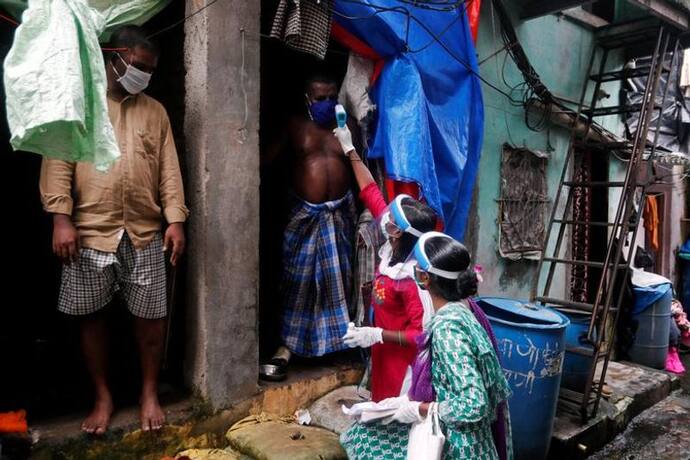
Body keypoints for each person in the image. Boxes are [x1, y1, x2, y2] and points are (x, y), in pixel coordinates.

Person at [39, 26, 188, 434]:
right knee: (91, 316)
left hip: (144, 231)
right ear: (115, 56)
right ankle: (103, 397)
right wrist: (60, 217)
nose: (144, 76)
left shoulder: (155, 111)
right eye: (139, 66)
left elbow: (169, 171)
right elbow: (58, 161)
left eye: (151, 70)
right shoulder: (80, 106)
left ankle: (149, 393)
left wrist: (175, 220)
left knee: (151, 316)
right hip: (89, 229)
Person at [340, 232, 513, 460]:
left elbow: (473, 404)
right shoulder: (465, 312)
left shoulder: (447, 329)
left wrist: (420, 409)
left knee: (363, 439)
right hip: (468, 443)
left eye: (418, 267)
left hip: (460, 449)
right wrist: (391, 408)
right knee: (366, 430)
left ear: (424, 278)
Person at [261, 75, 360, 376]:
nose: (326, 103)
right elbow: (267, 163)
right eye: (319, 98)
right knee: (298, 284)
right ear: (306, 99)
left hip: (340, 216)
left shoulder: (347, 128)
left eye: (331, 96)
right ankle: (286, 347)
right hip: (304, 218)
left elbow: (361, 166)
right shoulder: (295, 127)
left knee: (340, 283)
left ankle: (338, 346)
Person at [333, 124, 437, 401]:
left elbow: (420, 336)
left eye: (389, 224)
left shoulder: (412, 281)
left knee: (394, 413)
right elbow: (370, 190)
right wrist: (350, 148)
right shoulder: (396, 246)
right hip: (383, 354)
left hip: (404, 365)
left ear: (399, 234)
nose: (383, 222)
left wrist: (378, 334)